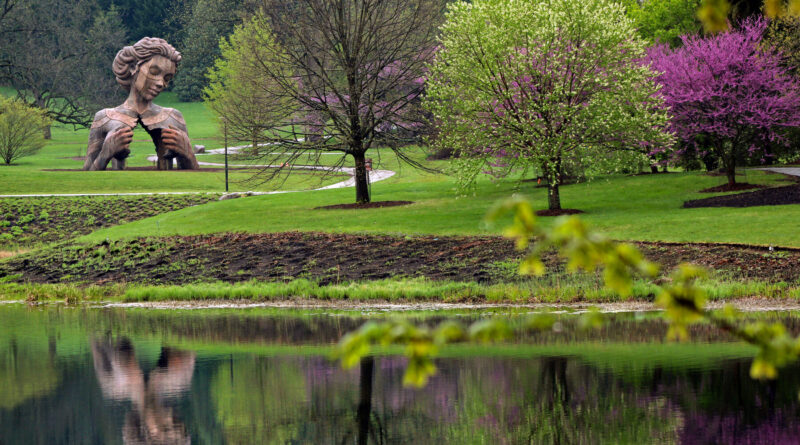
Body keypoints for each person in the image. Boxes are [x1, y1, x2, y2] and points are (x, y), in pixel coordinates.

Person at [83, 37, 200, 171]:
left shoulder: (174, 117)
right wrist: (106, 153)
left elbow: (193, 174)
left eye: (167, 78)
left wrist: (189, 154)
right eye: (154, 72)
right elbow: (86, 174)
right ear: (133, 67)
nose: (161, 83)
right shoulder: (104, 117)